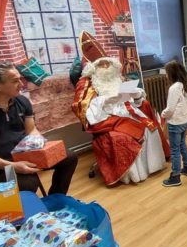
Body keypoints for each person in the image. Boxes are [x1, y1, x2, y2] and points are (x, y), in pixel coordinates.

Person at [0, 62, 78, 195]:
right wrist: (13, 166)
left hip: (21, 155)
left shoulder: (21, 101)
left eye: (20, 79)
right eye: (15, 81)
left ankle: (56, 199)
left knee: (68, 157)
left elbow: (31, 130)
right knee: (28, 183)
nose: (21, 84)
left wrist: (40, 146)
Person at [72, 56, 169, 185]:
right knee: (129, 135)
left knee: (149, 128)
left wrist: (136, 95)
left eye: (108, 63)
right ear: (94, 67)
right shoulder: (87, 83)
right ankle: (134, 175)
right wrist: (106, 100)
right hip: (104, 117)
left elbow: (135, 102)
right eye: (101, 64)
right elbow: (80, 106)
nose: (105, 67)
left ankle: (152, 166)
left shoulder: (117, 78)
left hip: (125, 111)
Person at [161, 61, 187, 187]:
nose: (165, 75)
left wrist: (162, 114)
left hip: (175, 123)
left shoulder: (174, 88)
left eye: (166, 73)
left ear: (171, 73)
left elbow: (170, 109)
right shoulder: (185, 86)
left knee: (174, 150)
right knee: (182, 144)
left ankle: (175, 176)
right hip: (184, 121)